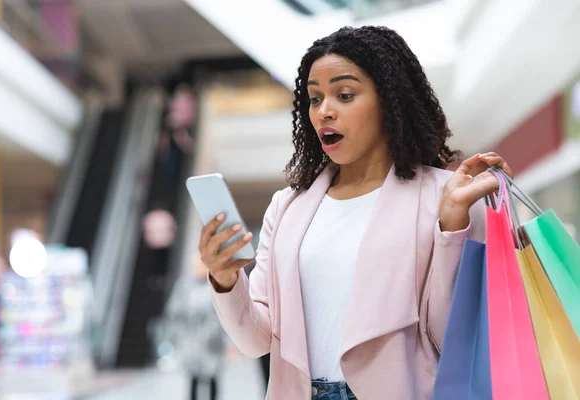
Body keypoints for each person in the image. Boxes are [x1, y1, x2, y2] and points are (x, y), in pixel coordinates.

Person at [197, 26, 513, 400]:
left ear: (389, 101)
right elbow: (255, 341)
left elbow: (455, 339)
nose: (324, 111)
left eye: (344, 95)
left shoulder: (447, 196)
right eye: (314, 99)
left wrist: (451, 226)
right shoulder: (288, 208)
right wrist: (225, 279)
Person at [158, 255, 227, 400]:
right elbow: (174, 313)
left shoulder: (215, 285)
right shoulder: (184, 286)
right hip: (190, 343)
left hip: (212, 344)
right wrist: (173, 338)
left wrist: (218, 337)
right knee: (193, 380)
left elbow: (222, 314)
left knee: (213, 379)